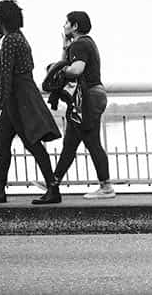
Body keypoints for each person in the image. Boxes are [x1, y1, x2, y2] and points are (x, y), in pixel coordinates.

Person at [0, 0, 61, 203]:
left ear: (2, 19)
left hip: (18, 99)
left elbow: (5, 76)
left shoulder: (10, 41)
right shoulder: (16, 38)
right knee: (3, 141)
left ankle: (52, 189)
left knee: (32, 143)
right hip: (20, 96)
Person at [37, 11, 114, 204]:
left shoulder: (80, 44)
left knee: (86, 142)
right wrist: (64, 48)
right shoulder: (85, 43)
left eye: (66, 23)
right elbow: (68, 60)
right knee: (73, 142)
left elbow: (76, 69)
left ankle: (105, 187)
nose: (64, 26)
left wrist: (61, 70)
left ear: (75, 26)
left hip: (87, 99)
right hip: (91, 97)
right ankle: (53, 182)